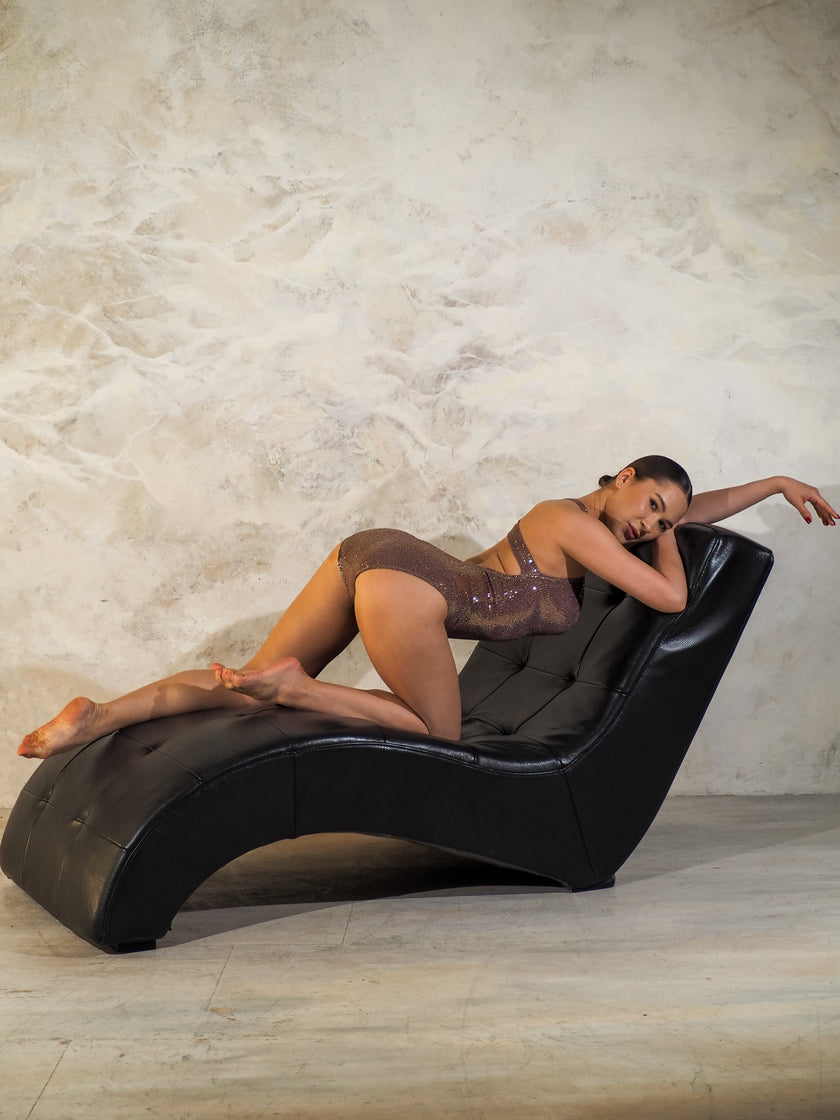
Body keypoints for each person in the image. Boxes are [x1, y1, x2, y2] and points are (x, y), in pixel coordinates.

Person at [17, 457, 836, 759]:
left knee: (246, 680)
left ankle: (99, 715)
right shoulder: (573, 523)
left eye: (663, 522)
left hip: (375, 557)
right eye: (650, 506)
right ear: (621, 476)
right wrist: (673, 537)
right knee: (438, 738)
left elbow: (688, 504)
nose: (651, 527)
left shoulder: (581, 519)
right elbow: (670, 593)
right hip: (409, 586)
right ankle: (301, 689)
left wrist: (770, 484)